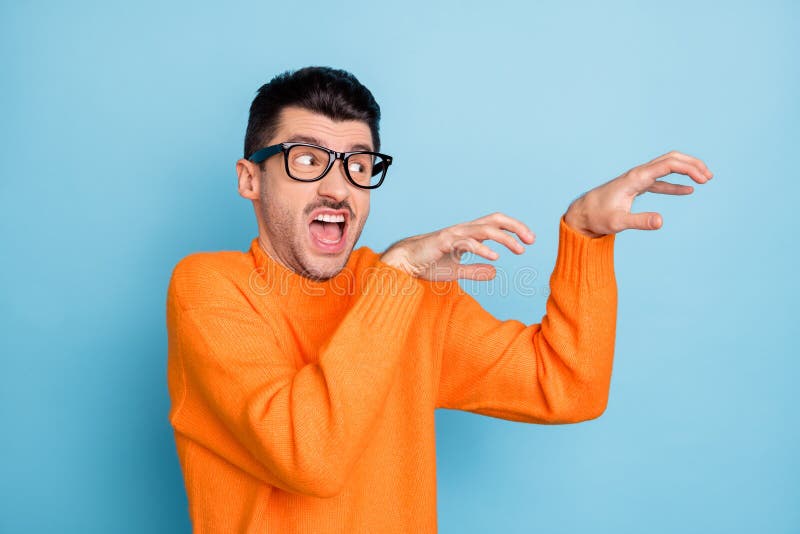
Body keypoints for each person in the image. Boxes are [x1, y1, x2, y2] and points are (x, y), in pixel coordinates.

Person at [165, 66, 712, 533]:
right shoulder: (210, 288)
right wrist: (398, 272)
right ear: (249, 179)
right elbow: (310, 457)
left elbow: (568, 388)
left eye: (358, 165)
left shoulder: (405, 296)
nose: (337, 188)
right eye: (306, 160)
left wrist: (587, 236)